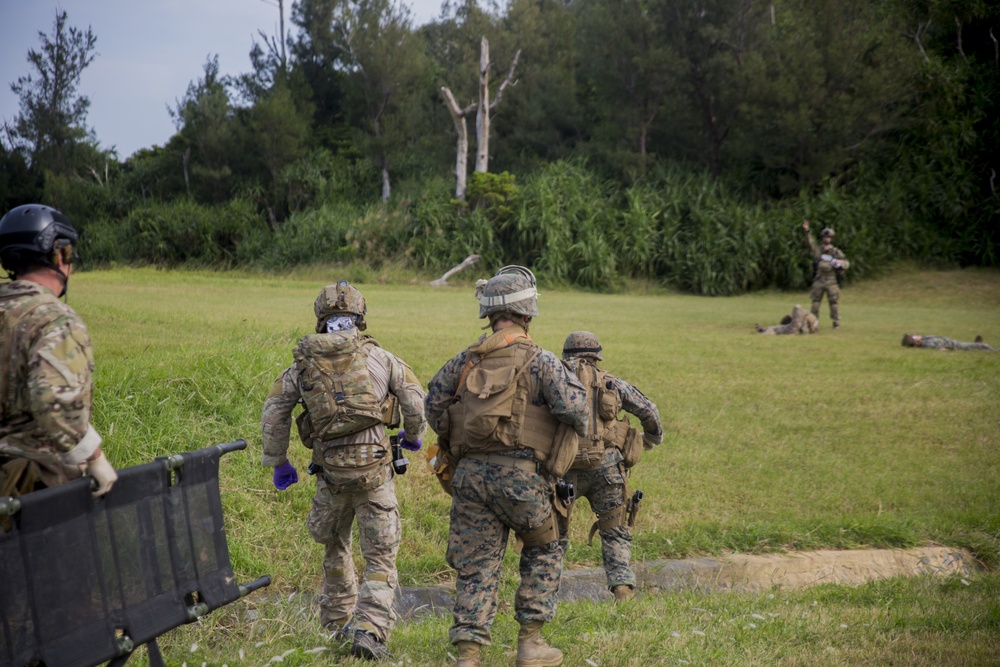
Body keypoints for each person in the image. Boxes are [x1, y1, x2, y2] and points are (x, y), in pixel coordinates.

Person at [424, 266, 589, 667]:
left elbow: (432, 407)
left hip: (470, 479)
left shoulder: (463, 362)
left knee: (476, 564)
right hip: (523, 481)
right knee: (545, 547)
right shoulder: (542, 362)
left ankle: (468, 655)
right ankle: (531, 644)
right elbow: (577, 410)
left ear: (489, 316)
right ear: (527, 315)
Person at [260, 281, 427, 661]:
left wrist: (279, 461)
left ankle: (336, 624)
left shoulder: (302, 365)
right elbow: (416, 402)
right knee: (381, 557)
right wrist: (413, 436)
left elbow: (274, 413)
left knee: (336, 545)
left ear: (321, 320)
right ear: (360, 317)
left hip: (331, 476)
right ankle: (369, 629)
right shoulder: (383, 359)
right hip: (375, 475)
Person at [0, 204, 117, 510]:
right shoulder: (54, 320)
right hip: (31, 491)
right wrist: (94, 458)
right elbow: (54, 401)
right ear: (60, 254)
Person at [559, 331, 663, 603]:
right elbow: (649, 410)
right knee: (615, 530)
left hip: (562, 469)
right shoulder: (611, 383)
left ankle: (544, 594)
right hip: (606, 467)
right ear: (597, 356)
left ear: (566, 354)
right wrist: (652, 438)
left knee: (552, 535)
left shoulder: (554, 378)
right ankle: (623, 591)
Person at [802, 219, 850, 328]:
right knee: (815, 303)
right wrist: (807, 232)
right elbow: (810, 243)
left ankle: (836, 323)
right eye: (825, 237)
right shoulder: (819, 250)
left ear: (831, 239)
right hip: (819, 279)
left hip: (831, 280)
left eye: (828, 237)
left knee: (834, 304)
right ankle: (814, 323)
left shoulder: (836, 252)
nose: (826, 239)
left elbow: (847, 263)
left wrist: (840, 263)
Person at [755, 304, 819, 335]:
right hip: (802, 328)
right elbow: (812, 329)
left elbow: (788, 318)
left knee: (797, 307)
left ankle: (764, 331)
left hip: (798, 328)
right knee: (778, 328)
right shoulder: (811, 317)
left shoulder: (806, 315)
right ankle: (764, 330)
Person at [901, 334, 994, 351]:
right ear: (916, 341)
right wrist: (942, 349)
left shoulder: (925, 339)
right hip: (956, 346)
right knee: (985, 347)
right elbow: (939, 346)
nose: (915, 334)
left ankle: (977, 344)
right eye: (913, 336)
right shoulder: (927, 342)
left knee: (974, 346)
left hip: (954, 343)